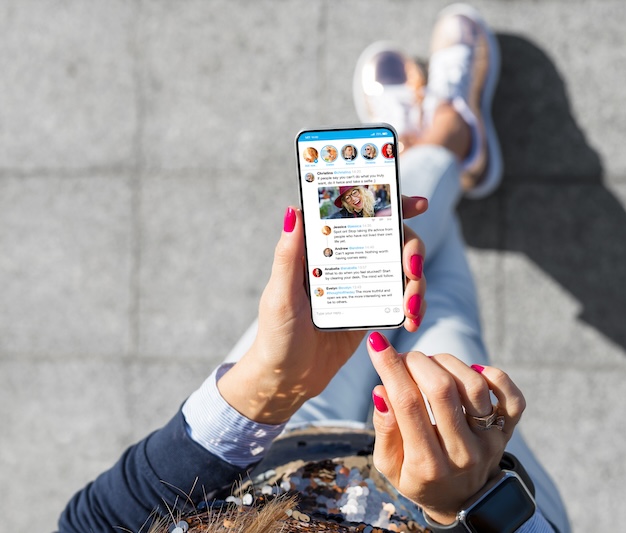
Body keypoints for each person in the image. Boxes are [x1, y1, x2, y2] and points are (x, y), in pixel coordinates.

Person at [59, 4, 570, 533]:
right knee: (450, 332)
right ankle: (444, 140)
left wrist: (270, 383)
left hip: (276, 445)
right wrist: (464, 504)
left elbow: (91, 523)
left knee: (407, 264)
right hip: (443, 484)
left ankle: (436, 144)